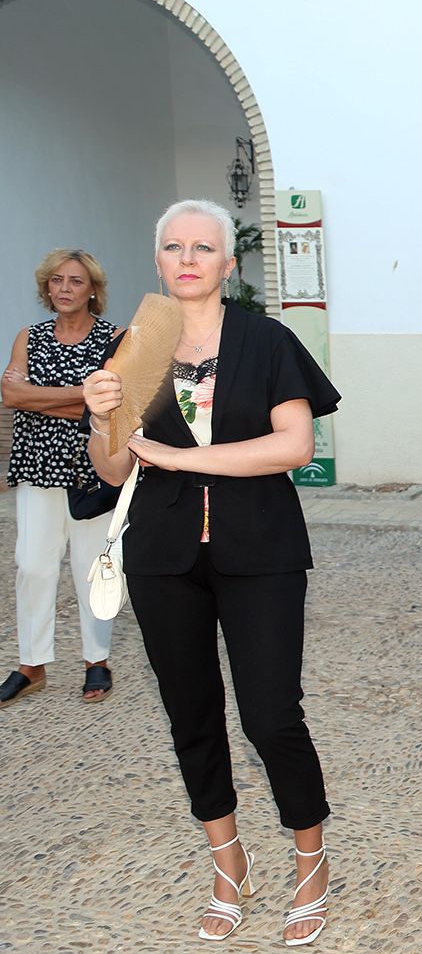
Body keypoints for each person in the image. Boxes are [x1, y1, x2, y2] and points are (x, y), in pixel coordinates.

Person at [81, 199, 339, 944]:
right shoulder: (138, 346)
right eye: (173, 246)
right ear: (157, 261)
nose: (188, 258)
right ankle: (228, 862)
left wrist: (183, 457)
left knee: (270, 714)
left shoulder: (267, 340)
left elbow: (293, 446)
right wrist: (105, 417)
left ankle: (310, 859)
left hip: (259, 549)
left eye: (204, 247)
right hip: (163, 555)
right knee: (191, 713)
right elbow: (113, 467)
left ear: (229, 264)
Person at [0, 249, 118, 709]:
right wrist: (82, 395)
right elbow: (10, 394)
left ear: (93, 289)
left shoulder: (114, 338)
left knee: (95, 568)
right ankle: (32, 665)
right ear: (46, 288)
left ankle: (97, 659)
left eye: (75, 280)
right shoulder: (28, 337)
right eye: (56, 280)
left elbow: (110, 403)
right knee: (32, 564)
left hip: (94, 466)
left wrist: (38, 396)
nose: (64, 288)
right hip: (37, 462)